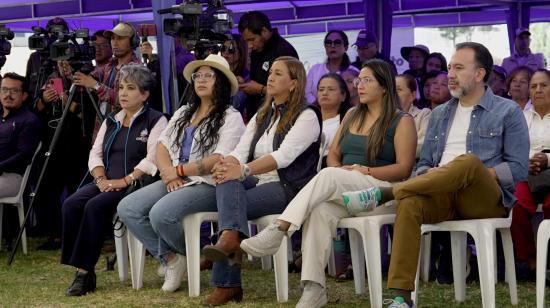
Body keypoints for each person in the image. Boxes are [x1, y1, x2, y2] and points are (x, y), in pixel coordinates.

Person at [345, 42, 529, 308]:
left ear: (479, 74)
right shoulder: (440, 114)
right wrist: (428, 173)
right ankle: (401, 297)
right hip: (441, 194)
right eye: (450, 67)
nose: (450, 73)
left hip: (484, 199)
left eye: (458, 67)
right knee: (410, 204)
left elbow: (519, 168)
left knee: (467, 163)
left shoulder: (507, 111)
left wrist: (474, 172)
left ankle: (388, 193)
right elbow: (425, 163)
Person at [240, 59, 417, 308]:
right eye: (359, 81)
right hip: (345, 186)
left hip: (381, 192)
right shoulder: (353, 114)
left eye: (367, 81)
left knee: (327, 176)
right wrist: (338, 170)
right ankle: (314, 288)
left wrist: (363, 169)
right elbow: (333, 155)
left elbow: (403, 169)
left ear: (384, 87)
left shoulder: (402, 120)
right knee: (320, 209)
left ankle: (280, 228)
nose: (360, 86)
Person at [117, 54, 245, 292]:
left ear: (222, 83)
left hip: (208, 183)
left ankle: (195, 255)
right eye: (198, 75)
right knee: (128, 208)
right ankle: (173, 259)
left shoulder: (231, 117)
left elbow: (218, 158)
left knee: (161, 214)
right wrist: (168, 173)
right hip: (175, 178)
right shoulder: (185, 111)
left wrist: (178, 171)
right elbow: (162, 146)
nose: (201, 80)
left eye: (209, 76)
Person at [200, 56, 322, 306]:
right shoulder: (263, 113)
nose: (271, 77)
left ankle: (228, 279)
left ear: (294, 83)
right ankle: (231, 241)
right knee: (226, 183)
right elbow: (240, 150)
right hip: (257, 179)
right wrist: (227, 165)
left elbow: (284, 157)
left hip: (289, 186)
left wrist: (242, 170)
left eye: (279, 74)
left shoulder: (307, 115)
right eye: (271, 72)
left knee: (231, 205)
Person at [61, 65, 167, 296]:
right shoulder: (112, 120)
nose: (123, 93)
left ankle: (83, 273)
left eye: (131, 88)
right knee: (71, 204)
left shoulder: (156, 120)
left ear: (145, 94)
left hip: (136, 184)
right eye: (121, 88)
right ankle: (83, 267)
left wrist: (125, 180)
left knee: (94, 206)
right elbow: (95, 153)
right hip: (105, 181)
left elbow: (153, 159)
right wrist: (100, 178)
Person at [510, 69, 550, 281]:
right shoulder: (520, 118)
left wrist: (547, 160)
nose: (538, 90)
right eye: (534, 86)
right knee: (514, 204)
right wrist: (526, 162)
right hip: (527, 174)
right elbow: (512, 149)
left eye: (544, 85)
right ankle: (530, 261)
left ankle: (549, 260)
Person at [72, 22, 142, 124]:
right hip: (103, 127)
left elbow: (124, 100)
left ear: (133, 42)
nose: (115, 43)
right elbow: (89, 77)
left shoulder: (137, 69)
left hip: (123, 130)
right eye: (113, 38)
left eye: (120, 38)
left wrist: (95, 85)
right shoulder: (110, 65)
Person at [237, 11, 299, 120]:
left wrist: (261, 89)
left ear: (264, 31)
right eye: (246, 41)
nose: (249, 45)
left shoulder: (284, 51)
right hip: (257, 115)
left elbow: (292, 91)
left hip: (279, 117)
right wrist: (246, 84)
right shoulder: (258, 49)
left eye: (252, 39)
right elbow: (258, 80)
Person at [0, 73, 41, 198]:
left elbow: (23, 156)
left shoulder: (29, 120)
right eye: (5, 90)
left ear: (23, 96)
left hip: (13, 177)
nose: (8, 95)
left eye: (14, 91)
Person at [305, 30, 359, 104]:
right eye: (329, 43)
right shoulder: (315, 70)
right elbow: (306, 93)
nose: (332, 46)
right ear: (325, 47)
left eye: (337, 42)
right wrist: (319, 105)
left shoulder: (354, 72)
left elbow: (357, 95)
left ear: (346, 47)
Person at [315, 73, 352, 162]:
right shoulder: (309, 119)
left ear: (343, 96)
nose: (324, 93)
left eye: (331, 89)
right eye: (321, 89)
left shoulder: (348, 121)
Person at [395, 74, 431, 158]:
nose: (393, 93)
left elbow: (423, 145)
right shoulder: (381, 115)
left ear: (413, 95)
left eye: (398, 89)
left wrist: (390, 150)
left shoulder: (423, 114)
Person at [221, 34, 249, 116]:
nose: (225, 53)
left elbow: (235, 106)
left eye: (231, 49)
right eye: (223, 48)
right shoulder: (218, 72)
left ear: (241, 53)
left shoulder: (246, 77)